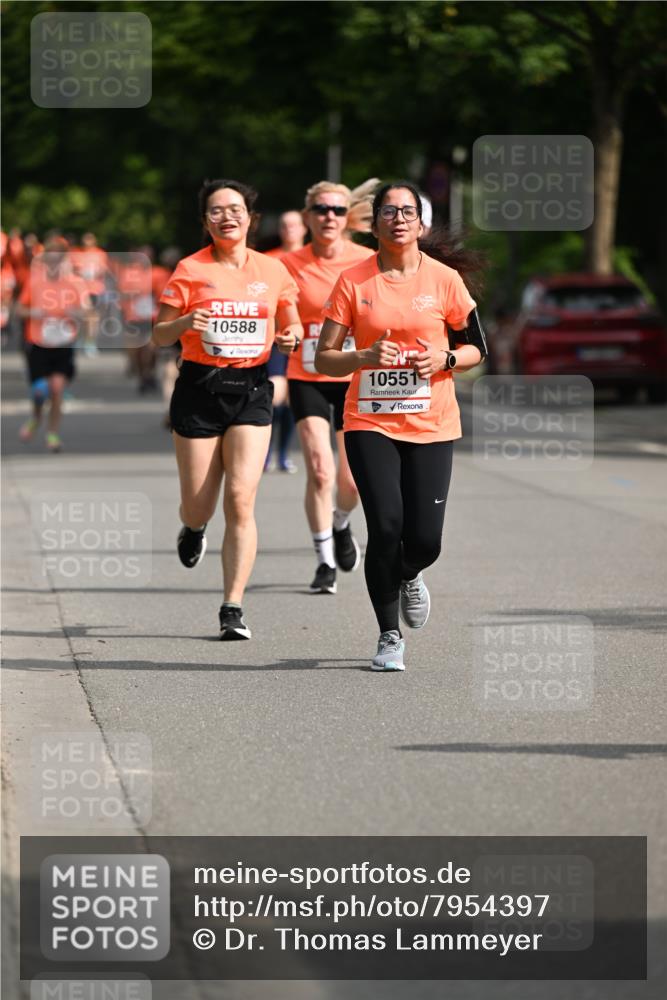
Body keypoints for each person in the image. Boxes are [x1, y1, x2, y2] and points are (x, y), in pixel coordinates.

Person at [316, 180, 486, 670]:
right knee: (386, 526)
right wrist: (364, 356)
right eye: (388, 211)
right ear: (375, 224)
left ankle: (410, 574)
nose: (397, 219)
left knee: (425, 540)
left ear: (420, 222)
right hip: (370, 419)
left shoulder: (444, 280)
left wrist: (447, 357)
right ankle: (389, 636)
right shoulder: (353, 281)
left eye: (406, 212)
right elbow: (325, 359)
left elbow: (479, 347)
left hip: (432, 423)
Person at [152, 179, 301, 640]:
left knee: (241, 498)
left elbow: (290, 316)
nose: (227, 217)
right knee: (200, 503)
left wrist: (290, 335)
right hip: (199, 387)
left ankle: (232, 606)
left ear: (250, 218)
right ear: (206, 222)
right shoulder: (189, 269)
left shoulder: (272, 269)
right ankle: (193, 528)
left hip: (252, 388)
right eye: (216, 211)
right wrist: (183, 322)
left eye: (235, 209)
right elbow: (159, 334)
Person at [282, 180, 377, 594]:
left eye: (338, 210)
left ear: (347, 216)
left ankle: (341, 522)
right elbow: (276, 314)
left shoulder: (368, 261)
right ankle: (324, 561)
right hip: (308, 376)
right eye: (321, 209)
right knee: (320, 469)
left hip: (355, 376)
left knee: (351, 481)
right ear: (307, 216)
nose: (329, 217)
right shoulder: (288, 264)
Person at [16, 236, 90, 452]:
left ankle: (52, 434)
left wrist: (75, 313)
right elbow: (18, 310)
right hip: (38, 343)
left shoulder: (75, 283)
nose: (55, 264)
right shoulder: (34, 281)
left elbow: (88, 312)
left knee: (56, 389)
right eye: (51, 259)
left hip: (63, 343)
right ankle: (36, 418)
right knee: (40, 391)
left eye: (59, 259)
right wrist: (33, 312)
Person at [263, 211, 307, 472]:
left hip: (308, 340)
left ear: (304, 228)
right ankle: (265, 452)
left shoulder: (315, 258)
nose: (289, 229)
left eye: (294, 225)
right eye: (284, 225)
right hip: (276, 339)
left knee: (292, 399)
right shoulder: (269, 260)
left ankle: (283, 454)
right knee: (274, 393)